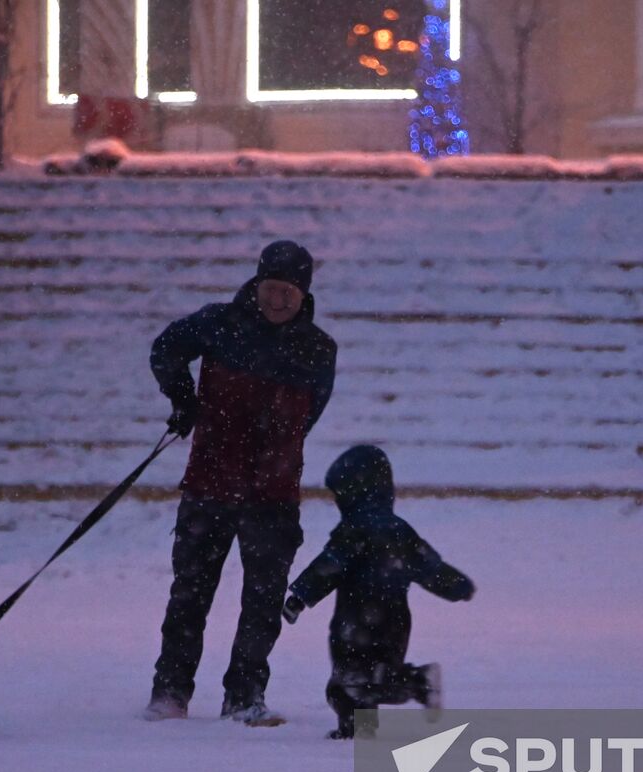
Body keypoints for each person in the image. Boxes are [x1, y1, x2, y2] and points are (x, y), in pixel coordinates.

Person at [143, 240, 337, 726]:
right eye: (272, 289)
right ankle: (170, 693)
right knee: (190, 593)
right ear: (257, 284)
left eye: (288, 293)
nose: (278, 300)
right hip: (209, 486)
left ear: (303, 295)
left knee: (263, 601)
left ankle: (244, 696)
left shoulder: (318, 348)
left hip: (272, 497)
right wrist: (185, 402)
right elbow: (165, 350)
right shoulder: (217, 323)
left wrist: (267, 453)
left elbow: (309, 414)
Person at [282, 445, 475, 739]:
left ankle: (415, 683)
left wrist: (300, 597)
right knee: (376, 673)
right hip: (395, 620)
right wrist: (456, 585)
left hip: (356, 617)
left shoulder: (353, 530)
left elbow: (329, 566)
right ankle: (363, 728)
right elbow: (429, 566)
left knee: (347, 682)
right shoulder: (401, 531)